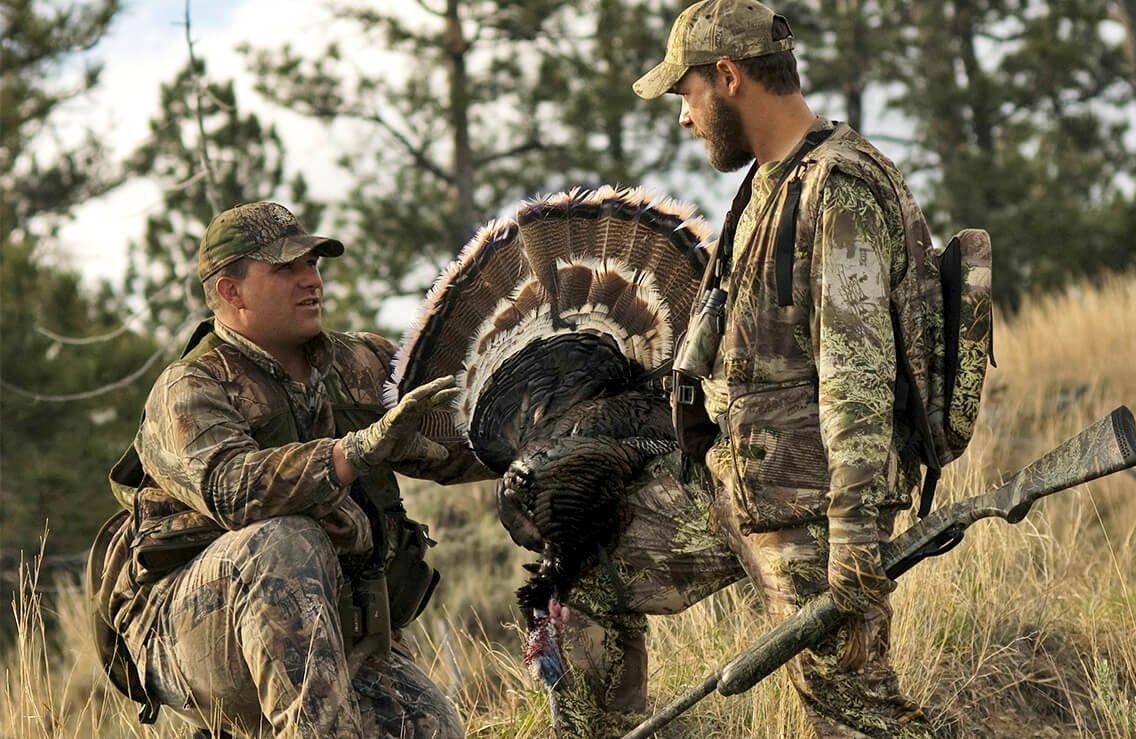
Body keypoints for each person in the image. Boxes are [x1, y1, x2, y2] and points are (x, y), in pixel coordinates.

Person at [546, 2, 937, 736]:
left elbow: (858, 377)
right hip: (734, 488)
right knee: (584, 585)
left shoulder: (837, 189)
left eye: (685, 94)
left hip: (813, 515)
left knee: (859, 719)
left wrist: (853, 540)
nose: (684, 118)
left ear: (728, 77)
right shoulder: (767, 182)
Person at [88, 201, 472, 738]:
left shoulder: (361, 363)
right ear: (230, 291)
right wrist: (354, 451)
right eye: (286, 268)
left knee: (426, 726)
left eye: (314, 264)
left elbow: (465, 436)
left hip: (331, 632)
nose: (311, 280)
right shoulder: (189, 388)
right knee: (282, 541)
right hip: (190, 635)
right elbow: (232, 488)